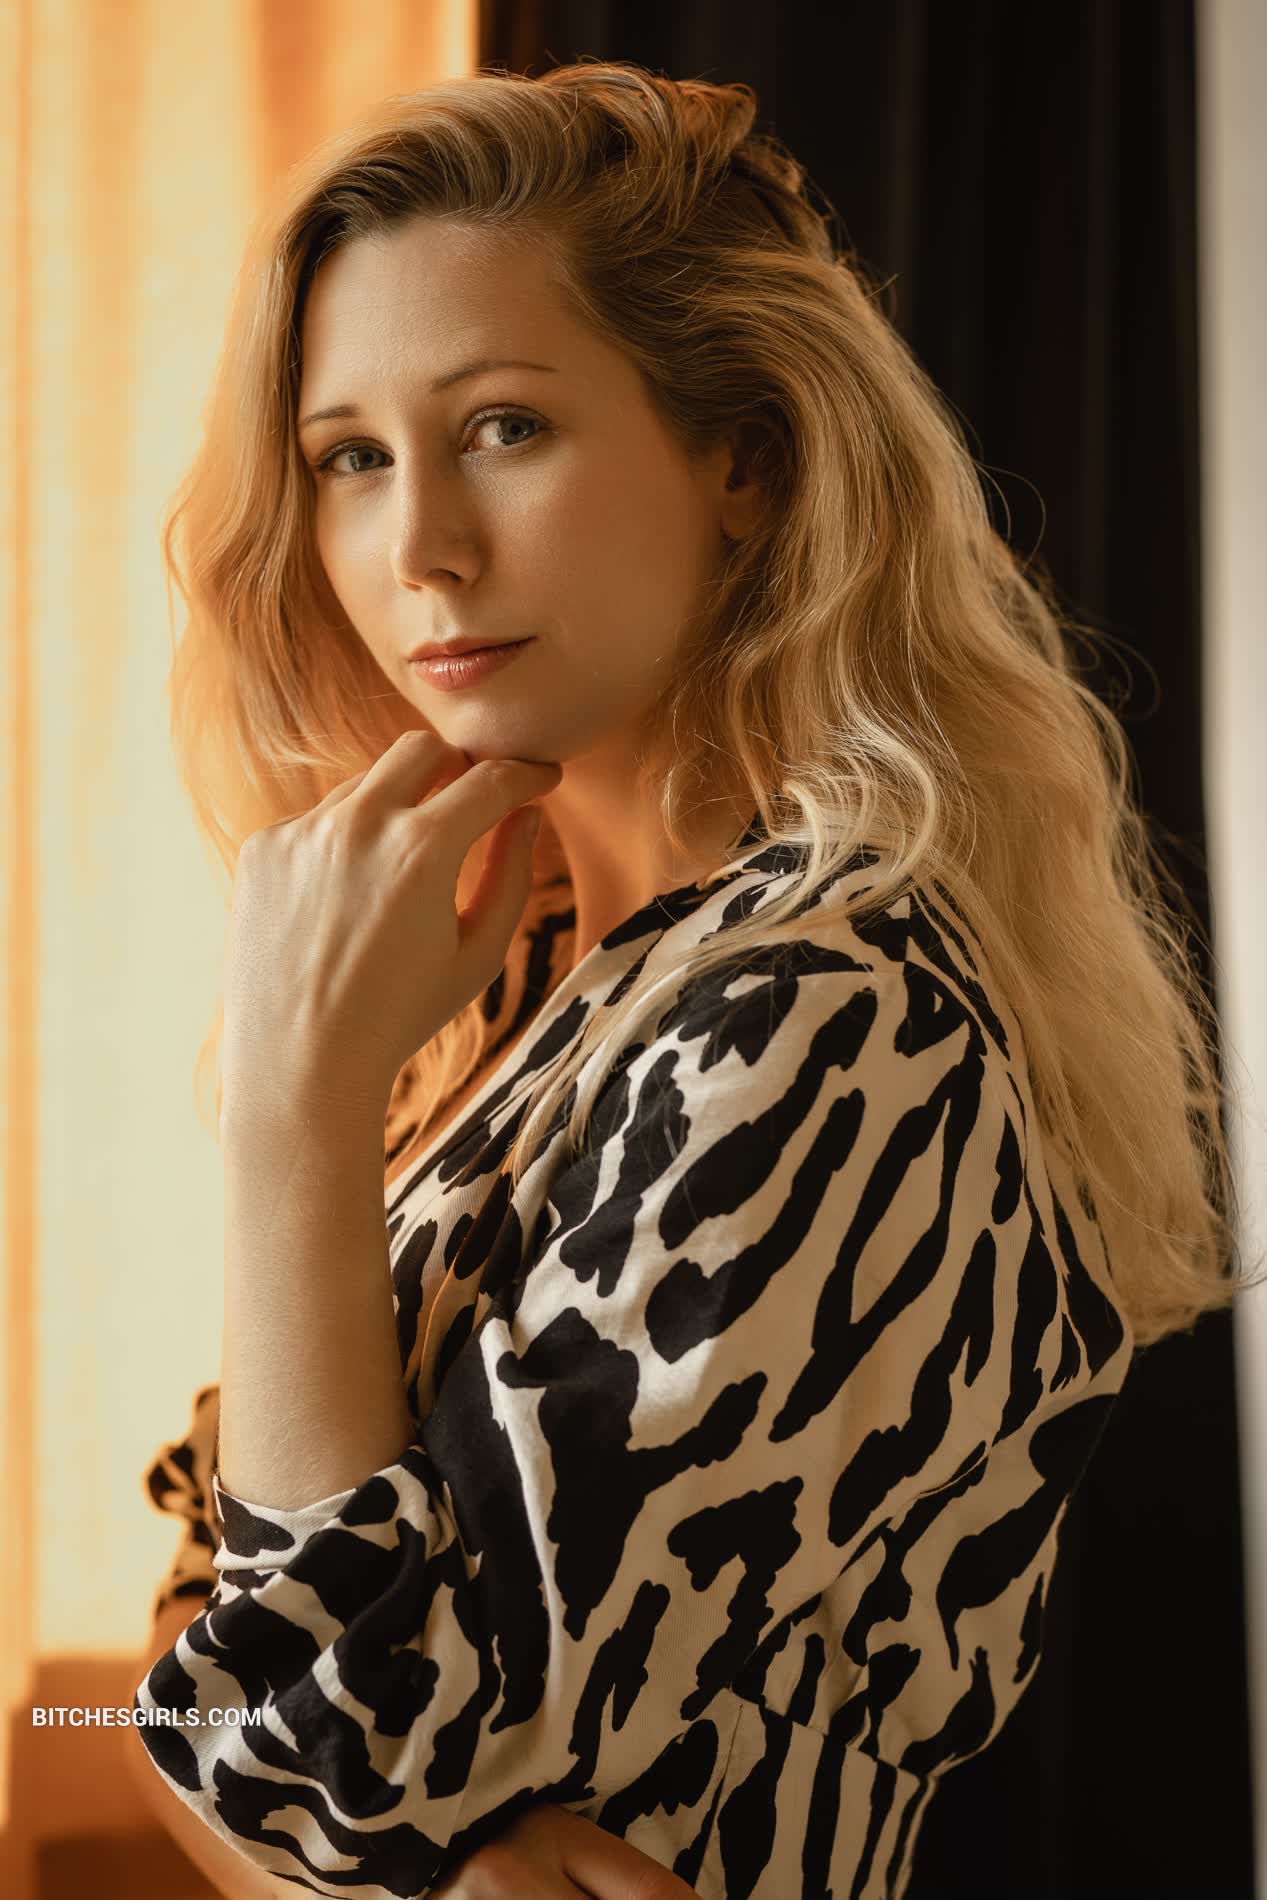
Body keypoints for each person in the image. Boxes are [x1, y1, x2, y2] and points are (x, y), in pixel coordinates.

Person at [126, 59, 1259, 1900]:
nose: (419, 548)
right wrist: (405, 1862)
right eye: (349, 458)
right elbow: (190, 1677)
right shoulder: (511, 991)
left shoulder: (832, 1024)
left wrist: (289, 1115)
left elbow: (308, 1746)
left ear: (746, 459)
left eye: (503, 426)